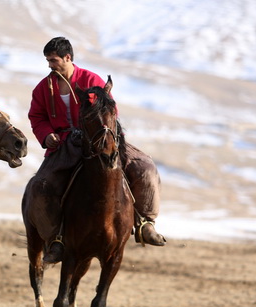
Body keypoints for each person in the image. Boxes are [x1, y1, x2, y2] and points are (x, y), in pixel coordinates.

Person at [28, 36, 165, 263]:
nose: (50, 65)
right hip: (63, 144)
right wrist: (46, 135)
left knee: (145, 167)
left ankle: (145, 223)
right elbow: (36, 116)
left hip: (100, 141)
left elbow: (110, 112)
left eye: (53, 60)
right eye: (48, 61)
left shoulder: (92, 80)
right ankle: (56, 239)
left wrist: (97, 135)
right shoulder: (44, 88)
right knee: (41, 185)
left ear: (68, 58)